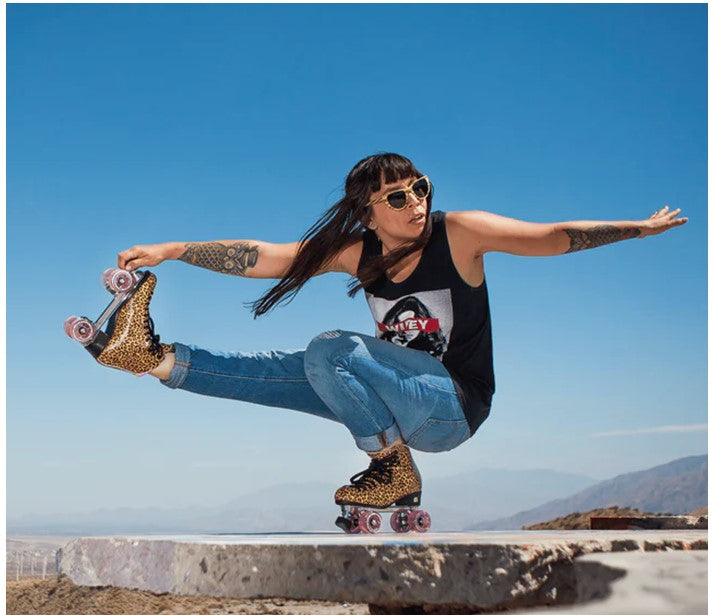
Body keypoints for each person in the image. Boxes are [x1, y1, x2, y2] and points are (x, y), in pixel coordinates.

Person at [89, 152, 688, 532]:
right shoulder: (360, 254)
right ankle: (154, 357)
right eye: (398, 197)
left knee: (331, 351)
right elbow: (270, 258)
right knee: (286, 372)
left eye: (420, 187)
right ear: (368, 213)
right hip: (395, 399)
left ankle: (391, 466)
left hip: (452, 407)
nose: (416, 203)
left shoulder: (461, 233)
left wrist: (640, 229)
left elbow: (553, 237)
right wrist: (173, 251)